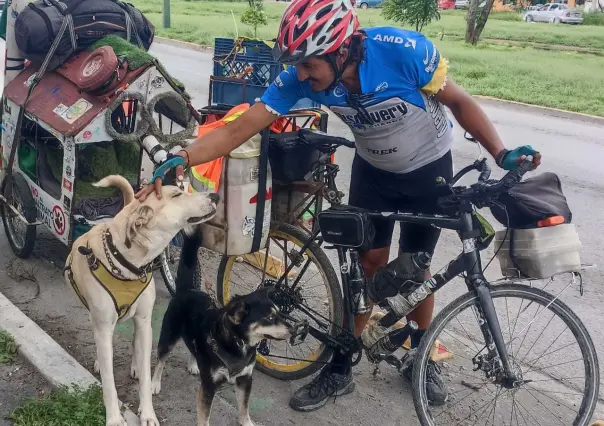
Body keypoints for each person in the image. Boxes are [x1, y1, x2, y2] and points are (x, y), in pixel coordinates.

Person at [136, 0, 541, 412]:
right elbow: (240, 128)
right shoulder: (301, 76)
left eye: (310, 64)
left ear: (341, 50)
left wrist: (501, 152)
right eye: (297, 65)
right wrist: (184, 156)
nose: (302, 74)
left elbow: (459, 101)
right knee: (367, 267)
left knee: (417, 268)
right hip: (374, 173)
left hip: (427, 169)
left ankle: (422, 354)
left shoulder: (401, 51)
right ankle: (342, 365)